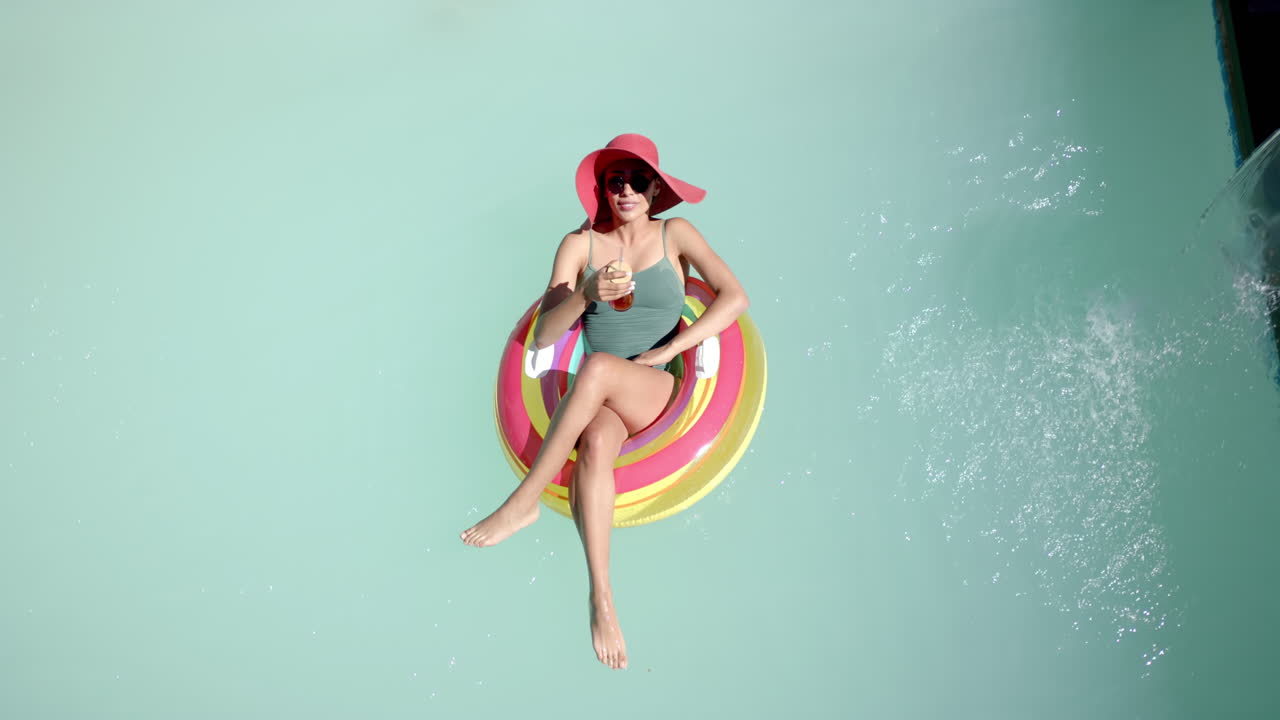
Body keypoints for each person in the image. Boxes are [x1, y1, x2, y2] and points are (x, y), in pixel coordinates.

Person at [460, 134, 749, 670]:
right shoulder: (579, 245)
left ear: (656, 188)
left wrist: (672, 347)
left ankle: (523, 502)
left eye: (638, 180)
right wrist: (586, 294)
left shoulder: (675, 234)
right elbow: (545, 336)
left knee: (595, 369)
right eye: (615, 180)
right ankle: (602, 598)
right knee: (594, 443)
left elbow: (735, 298)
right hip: (604, 402)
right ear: (602, 189)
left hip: (655, 385)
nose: (626, 190)